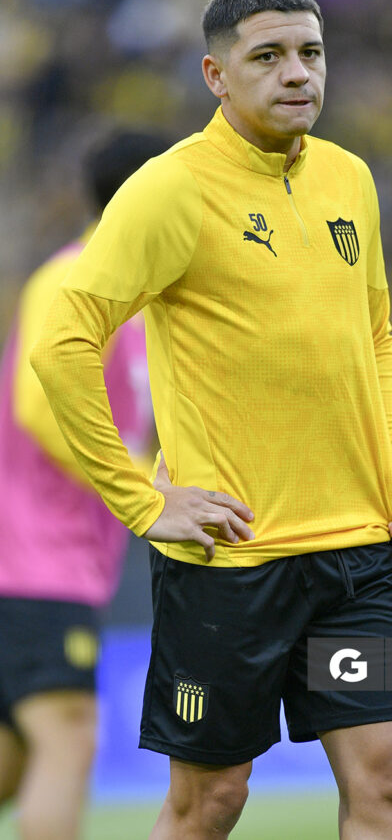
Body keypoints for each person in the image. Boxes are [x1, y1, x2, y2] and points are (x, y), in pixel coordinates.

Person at [31, 0, 392, 840]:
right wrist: (143, 500)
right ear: (216, 77)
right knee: (210, 802)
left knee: (391, 782)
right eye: (269, 56)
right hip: (232, 564)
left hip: (356, 560)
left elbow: (373, 339)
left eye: (311, 52)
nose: (298, 73)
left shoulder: (351, 180)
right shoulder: (170, 189)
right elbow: (61, 345)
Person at [0, 130, 170, 840]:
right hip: (34, 554)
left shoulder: (140, 300)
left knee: (14, 759)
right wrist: (141, 491)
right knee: (69, 735)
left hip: (55, 560)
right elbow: (37, 405)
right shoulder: (73, 278)